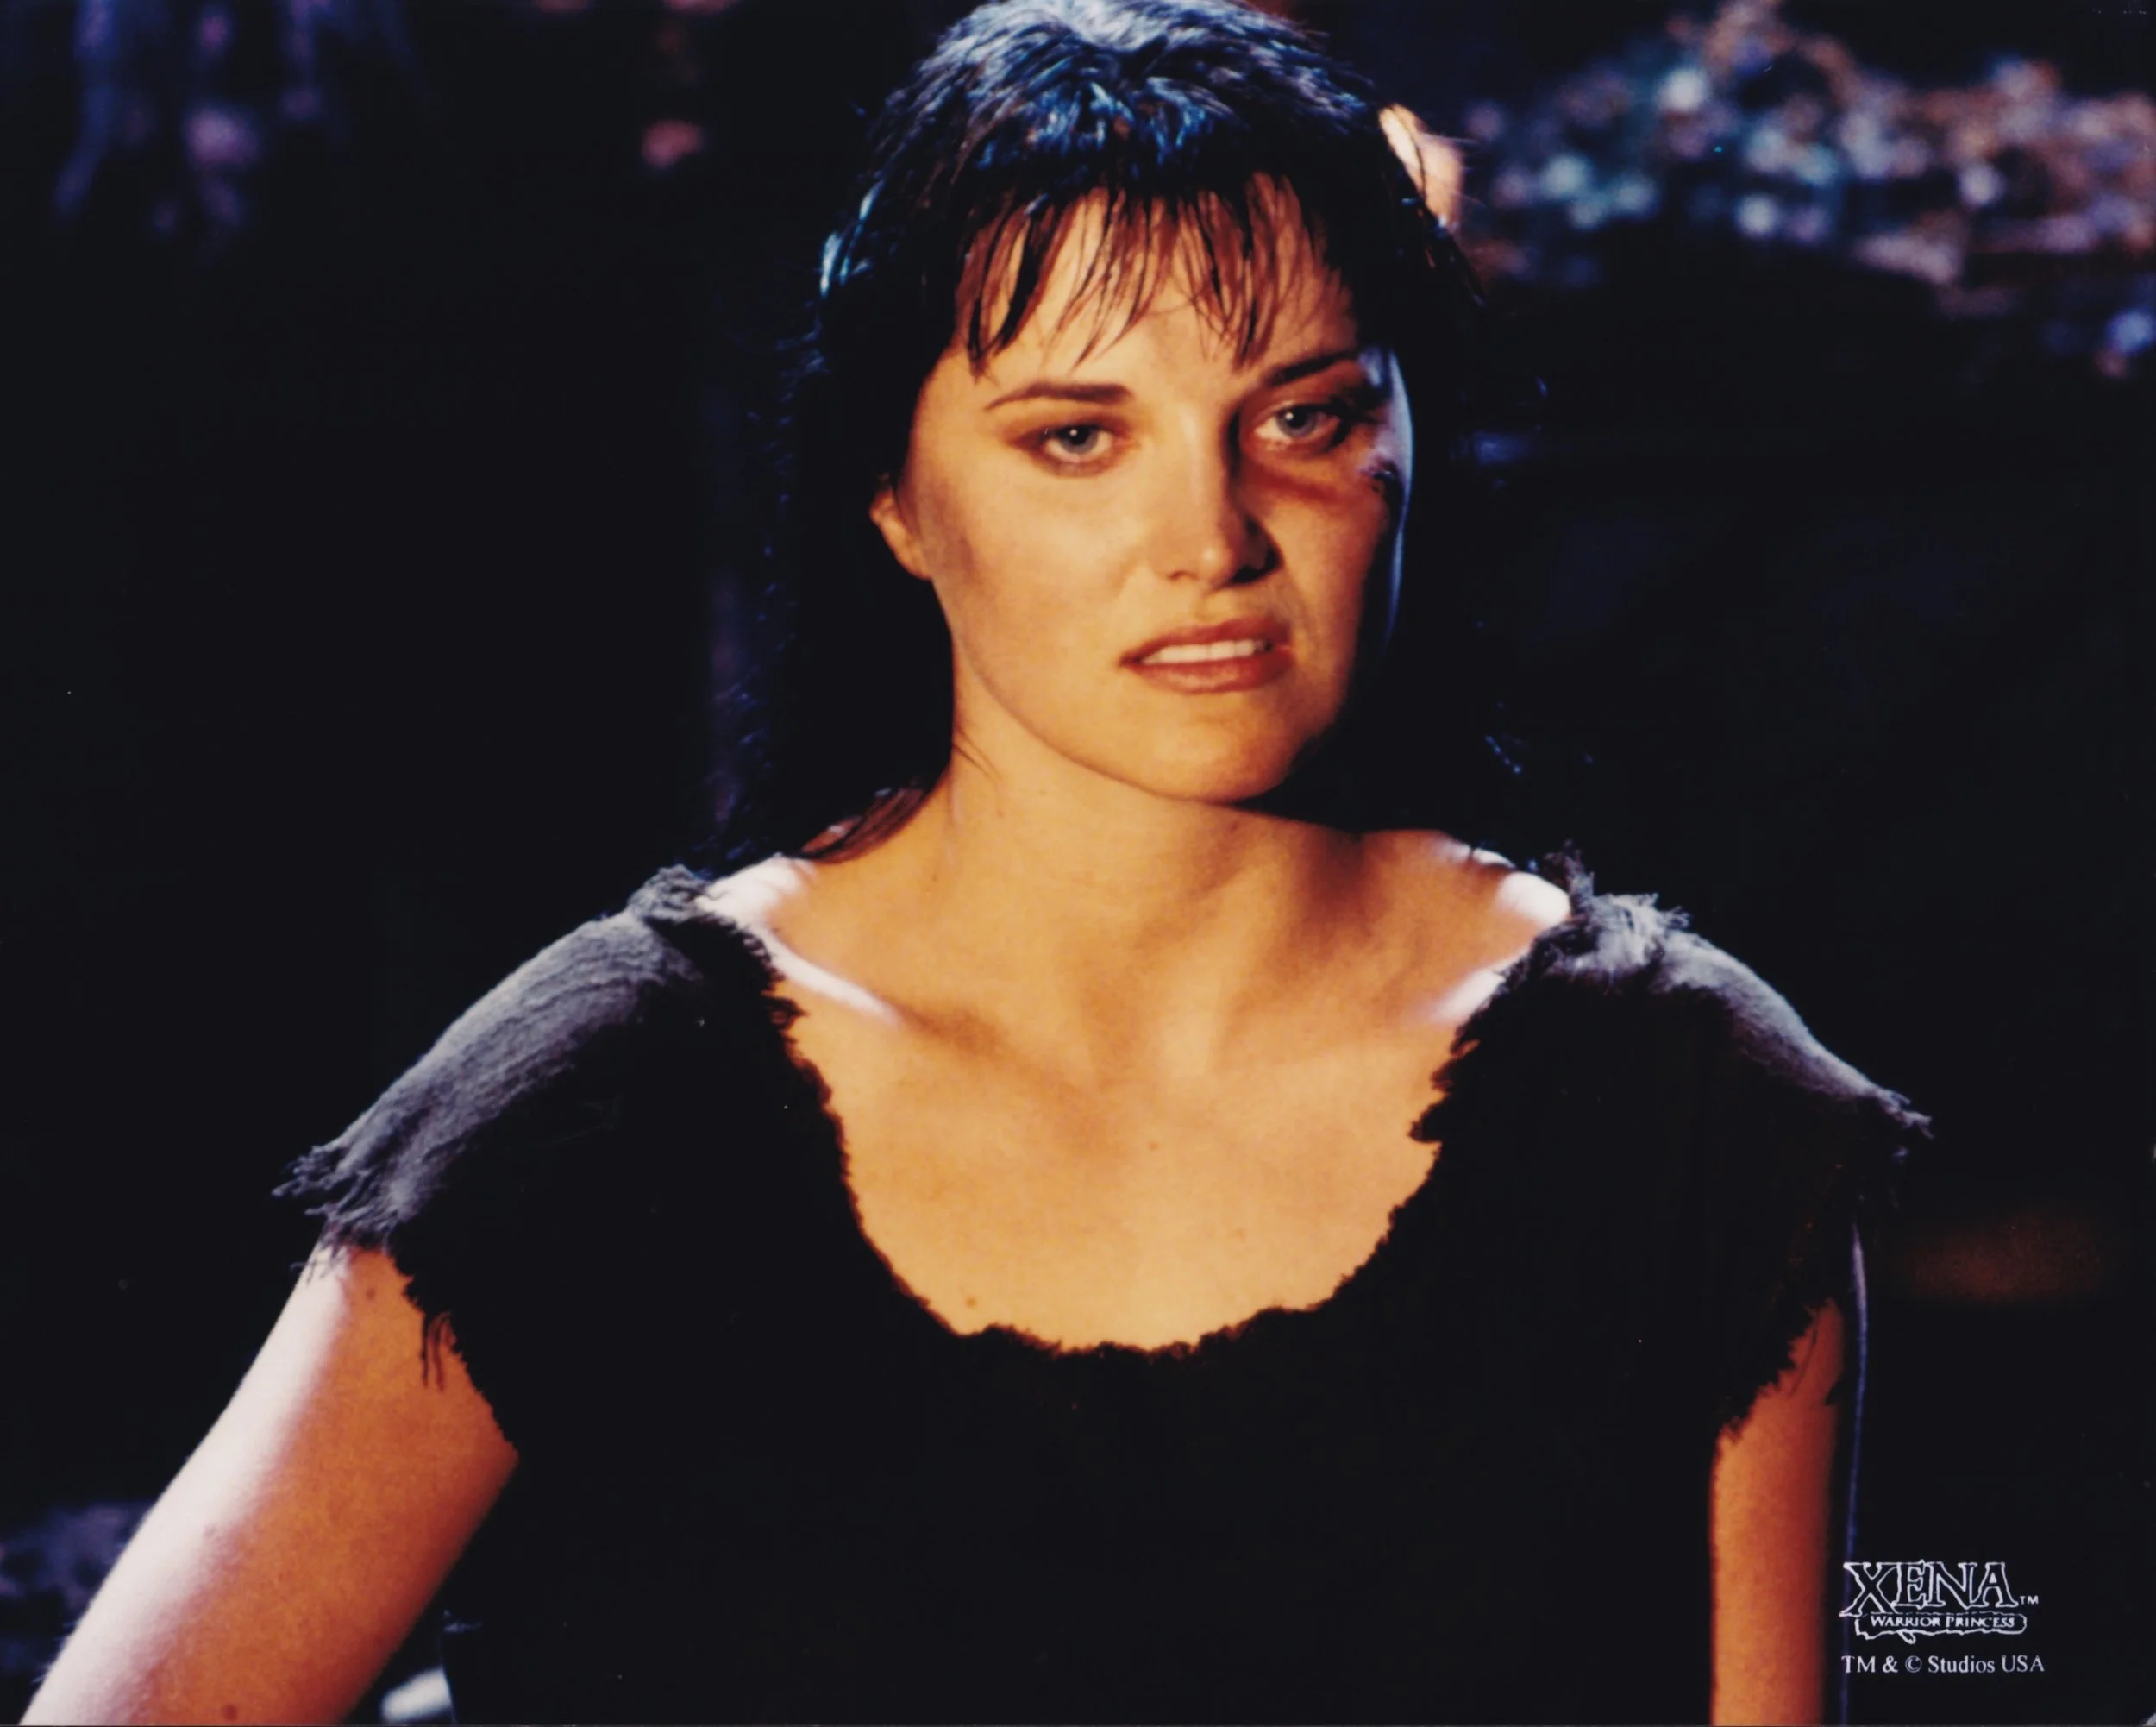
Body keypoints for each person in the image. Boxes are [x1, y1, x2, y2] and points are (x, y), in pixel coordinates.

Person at [25, 1, 1923, 1721]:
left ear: (1410, 441)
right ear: (894, 495)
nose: (1210, 536)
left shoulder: (1681, 1106)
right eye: (1076, 436)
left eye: (1304, 416)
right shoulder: (603, 1107)